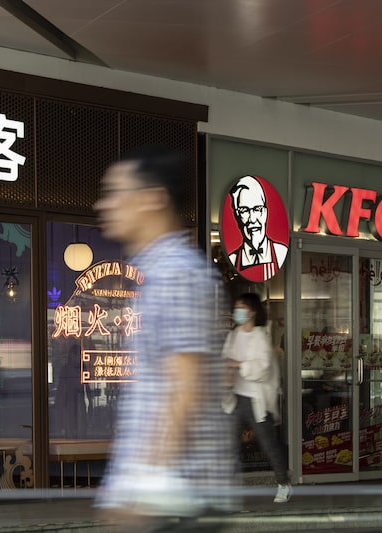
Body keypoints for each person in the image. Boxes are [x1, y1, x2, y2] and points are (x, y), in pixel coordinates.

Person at [93, 145, 234, 528]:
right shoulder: (160, 273)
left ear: (153, 199)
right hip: (167, 495)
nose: (103, 205)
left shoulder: (177, 273)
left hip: (178, 499)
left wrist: (149, 482)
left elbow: (186, 386)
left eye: (115, 192)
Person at [223, 292, 291, 503]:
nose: (237, 312)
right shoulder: (234, 335)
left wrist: (238, 365)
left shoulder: (261, 336)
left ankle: (283, 483)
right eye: (236, 307)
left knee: (267, 444)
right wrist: (226, 369)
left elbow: (261, 368)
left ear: (252, 311)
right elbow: (225, 358)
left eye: (241, 307)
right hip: (236, 398)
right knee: (229, 444)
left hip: (256, 400)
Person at [227, 175, 288, 281]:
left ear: (265, 212)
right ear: (237, 216)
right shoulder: (233, 258)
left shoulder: (281, 252)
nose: (253, 219)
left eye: (257, 209)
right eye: (244, 210)